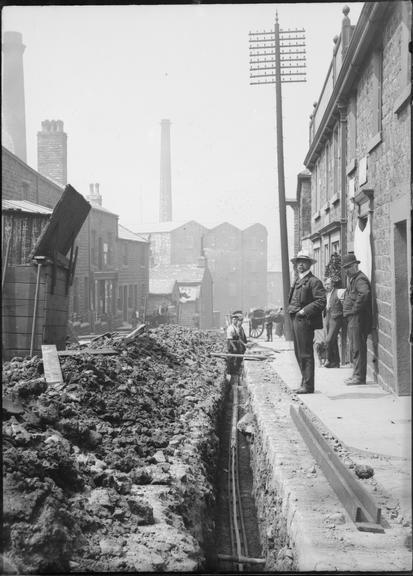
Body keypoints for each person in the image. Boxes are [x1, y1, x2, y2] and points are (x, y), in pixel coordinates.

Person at [288, 250, 327, 394]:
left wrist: (304, 311)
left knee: (305, 353)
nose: (300, 264)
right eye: (298, 262)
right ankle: (304, 381)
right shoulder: (298, 280)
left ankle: (309, 386)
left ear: (309, 264)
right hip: (295, 319)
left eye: (304, 262)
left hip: (305, 321)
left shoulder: (314, 281)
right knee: (299, 353)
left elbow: (321, 301)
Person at [342, 252, 372, 385]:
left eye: (349, 267)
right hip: (352, 318)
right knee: (354, 347)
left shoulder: (360, 279)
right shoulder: (353, 279)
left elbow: (364, 293)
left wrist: (354, 310)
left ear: (355, 265)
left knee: (358, 347)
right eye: (345, 268)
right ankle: (355, 374)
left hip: (358, 318)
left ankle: (359, 377)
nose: (347, 270)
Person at [323, 277, 343, 368]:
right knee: (333, 340)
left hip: (336, 318)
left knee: (328, 339)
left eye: (328, 284)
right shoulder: (327, 294)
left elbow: (345, 302)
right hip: (328, 317)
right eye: (325, 284)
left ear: (333, 284)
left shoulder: (338, 292)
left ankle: (328, 360)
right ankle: (336, 363)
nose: (326, 286)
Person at [226, 313, 246, 380]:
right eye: (234, 319)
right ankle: (230, 373)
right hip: (232, 345)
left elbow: (238, 338)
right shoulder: (230, 328)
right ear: (232, 320)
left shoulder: (236, 328)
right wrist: (234, 347)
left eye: (236, 320)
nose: (235, 321)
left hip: (237, 345)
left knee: (238, 359)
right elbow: (229, 339)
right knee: (231, 359)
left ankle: (236, 372)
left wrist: (243, 344)